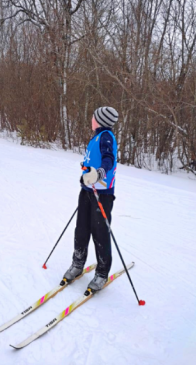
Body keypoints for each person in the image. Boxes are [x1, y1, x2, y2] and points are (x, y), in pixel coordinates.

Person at [63, 106, 119, 292]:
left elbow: (108, 159)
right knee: (81, 229)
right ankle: (78, 263)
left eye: (93, 117)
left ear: (100, 120)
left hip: (102, 194)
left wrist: (100, 173)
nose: (91, 119)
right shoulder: (96, 137)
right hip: (87, 191)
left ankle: (102, 273)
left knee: (100, 233)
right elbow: (91, 162)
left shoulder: (106, 136)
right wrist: (86, 173)